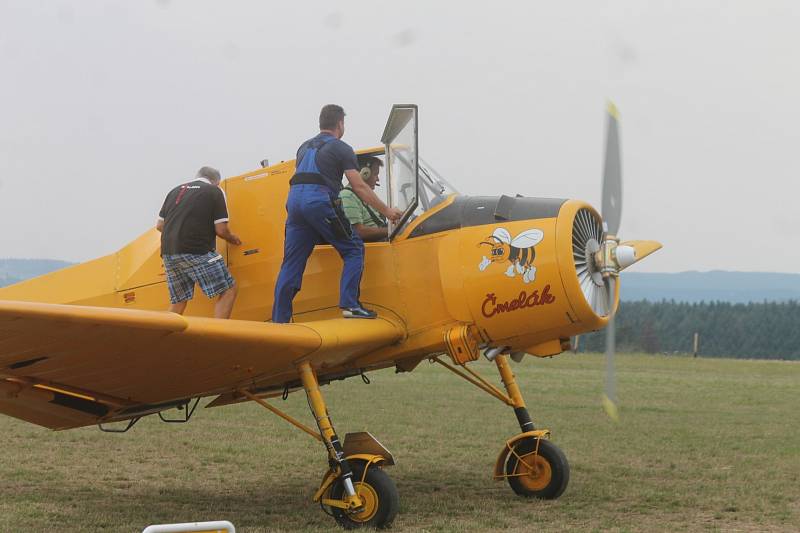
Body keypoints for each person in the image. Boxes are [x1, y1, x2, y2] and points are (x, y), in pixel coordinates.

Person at [271, 104, 402, 323]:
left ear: (321, 123)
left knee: (292, 263)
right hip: (319, 201)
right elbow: (358, 186)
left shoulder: (303, 147)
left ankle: (279, 320)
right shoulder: (342, 148)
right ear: (340, 124)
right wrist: (387, 211)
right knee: (353, 248)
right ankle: (351, 304)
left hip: (294, 204)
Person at [156, 166, 242, 318]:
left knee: (179, 301)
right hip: (195, 249)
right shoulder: (215, 191)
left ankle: (162, 336)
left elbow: (160, 226)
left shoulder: (174, 191)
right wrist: (233, 239)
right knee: (229, 289)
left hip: (169, 252)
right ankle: (219, 337)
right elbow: (221, 230)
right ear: (216, 182)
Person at [339, 156, 389, 242]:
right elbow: (358, 231)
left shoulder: (367, 197)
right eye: (375, 174)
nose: (378, 179)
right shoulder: (347, 196)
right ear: (364, 174)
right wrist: (389, 231)